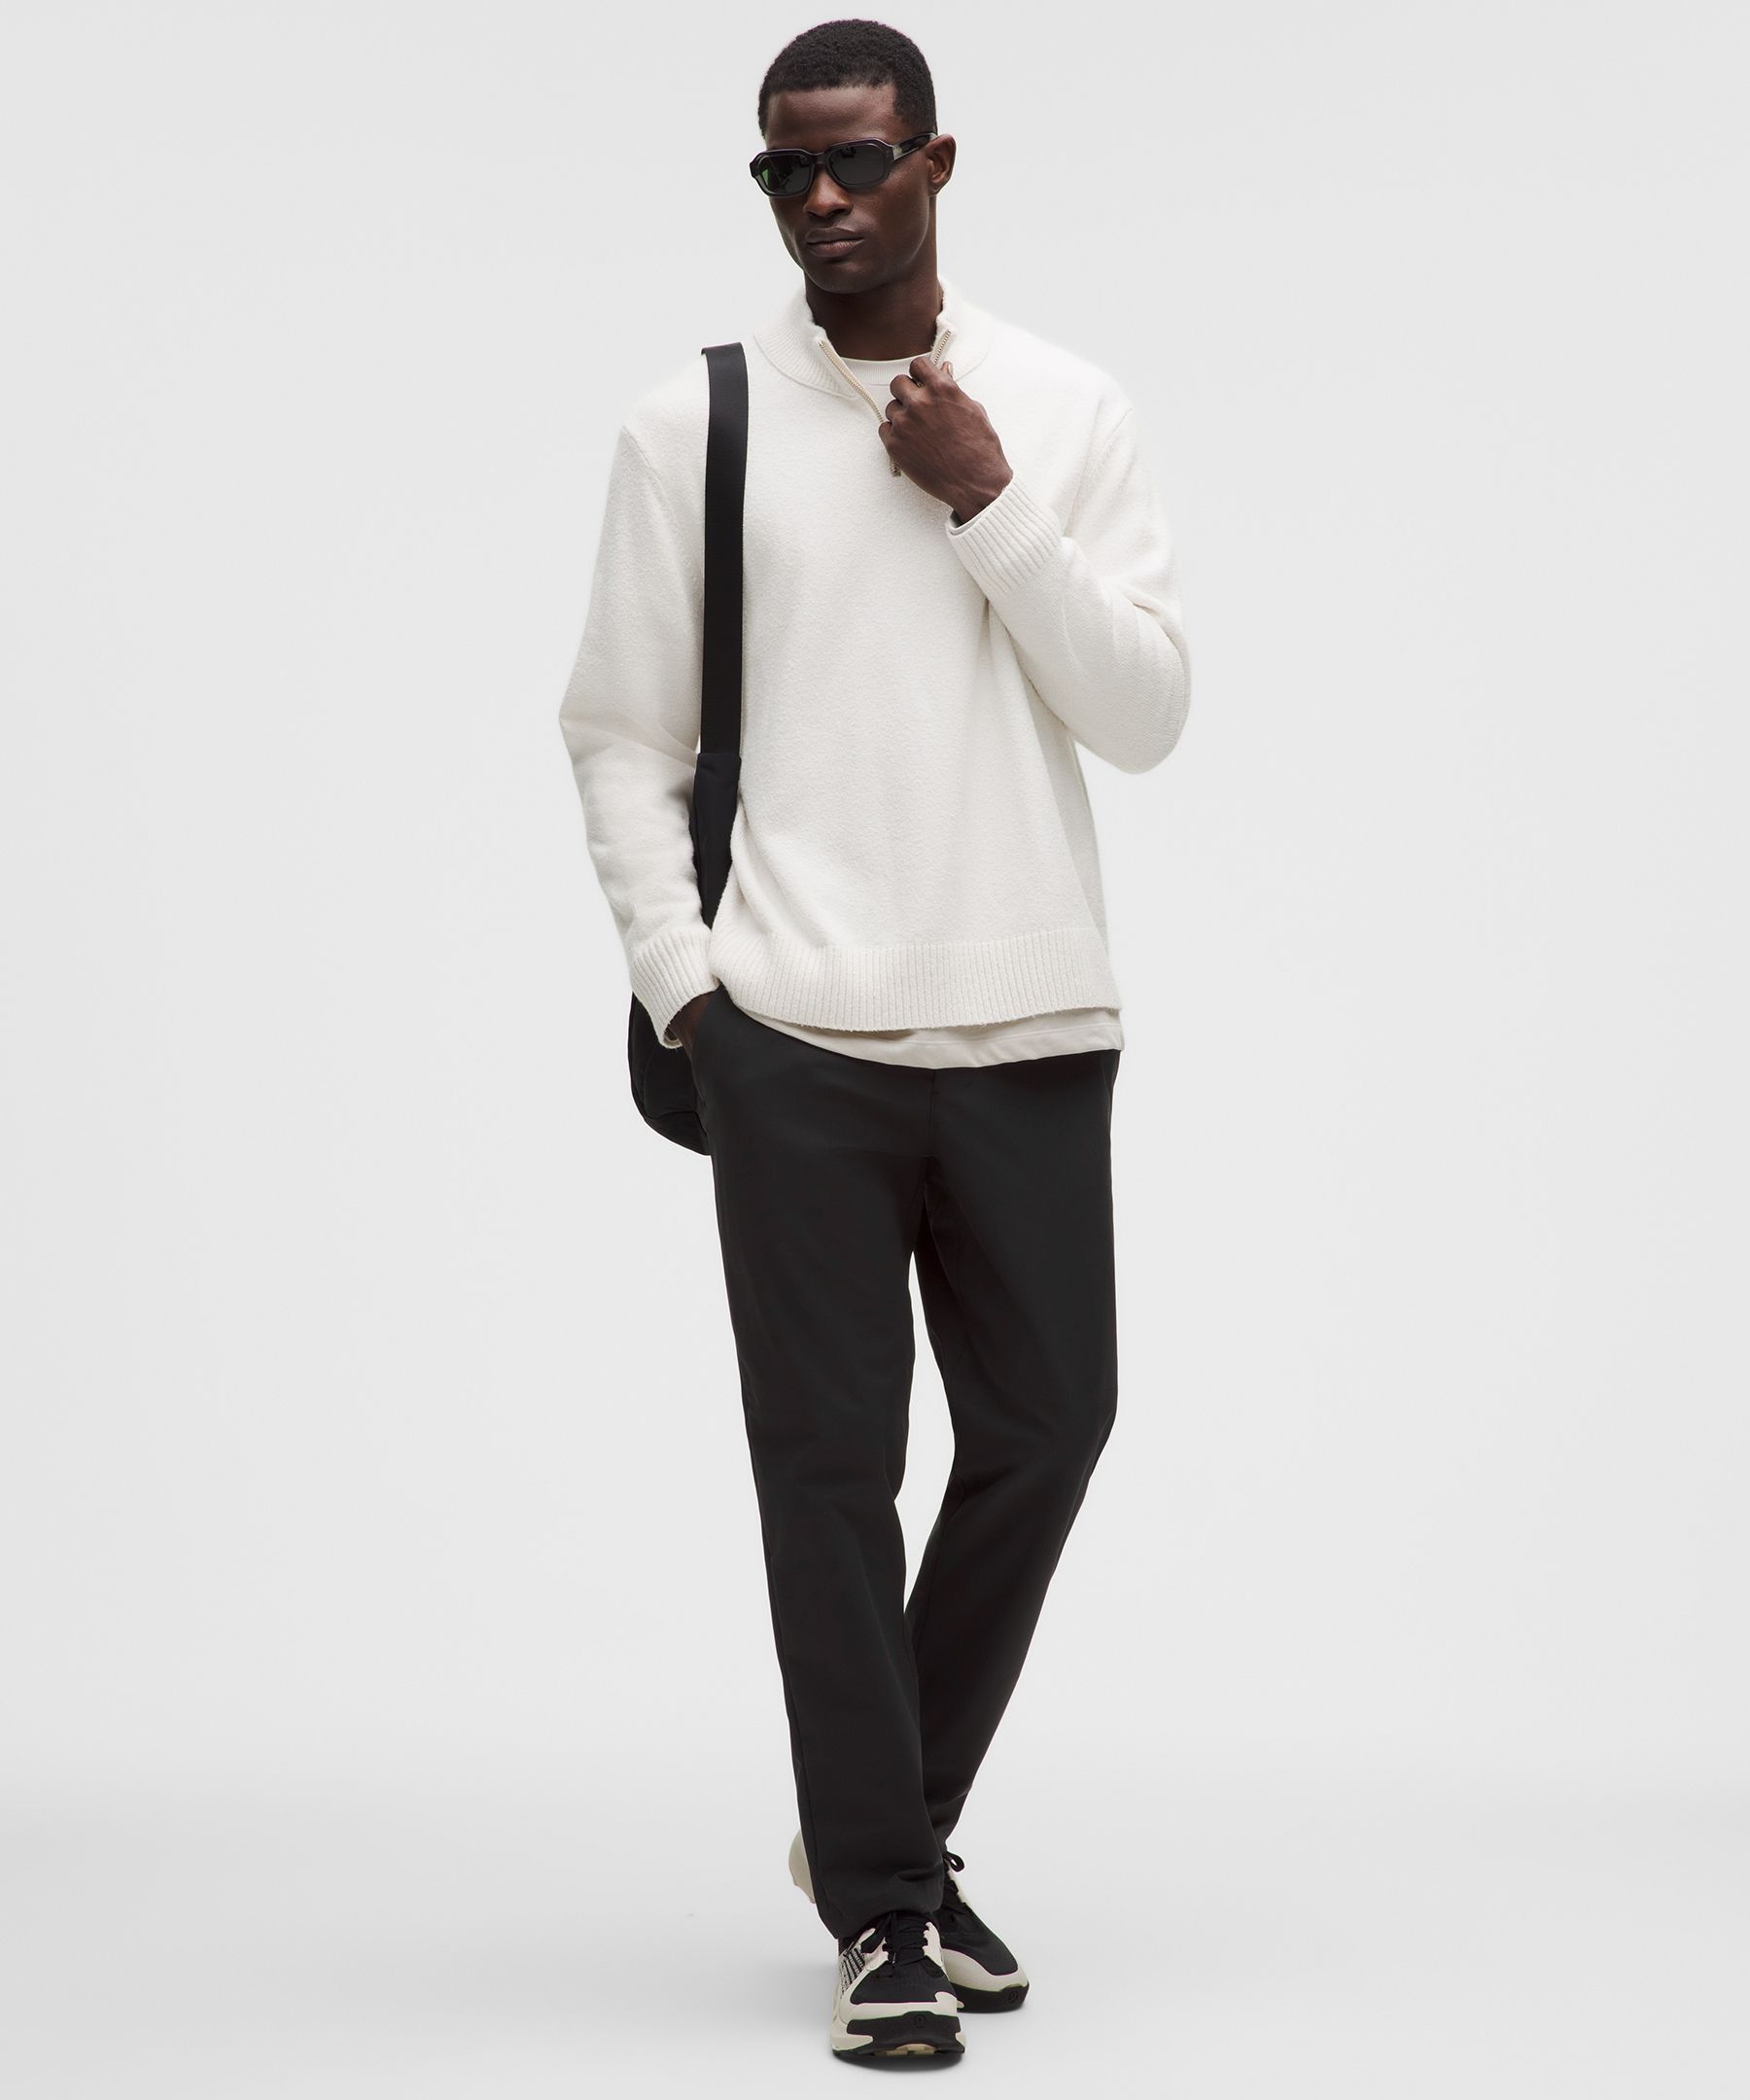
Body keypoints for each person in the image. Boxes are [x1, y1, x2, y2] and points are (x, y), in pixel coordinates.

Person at [558, 18, 1191, 2064]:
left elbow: (1146, 711)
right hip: (800, 1034)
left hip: (1033, 1020)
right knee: (831, 1474)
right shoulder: (698, 421)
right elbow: (621, 732)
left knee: (1051, 1426)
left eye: (855, 162)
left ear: (936, 162)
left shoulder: (1064, 408)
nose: (820, 200)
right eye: (784, 171)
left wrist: (990, 503)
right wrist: (693, 988)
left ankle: (877, 1835)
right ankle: (891, 1913)